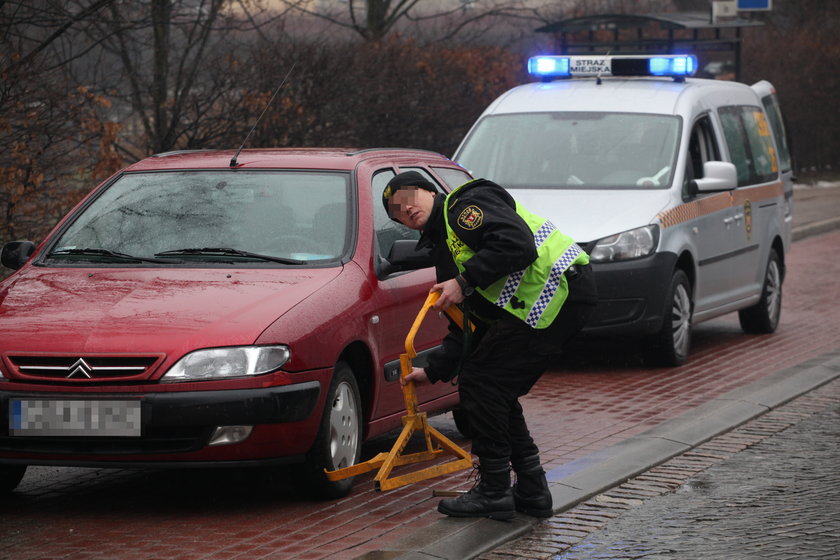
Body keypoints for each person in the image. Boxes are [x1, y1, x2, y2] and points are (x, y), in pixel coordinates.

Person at [382, 171, 598, 520]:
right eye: (394, 210)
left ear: (429, 191)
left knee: (484, 383)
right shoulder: (445, 249)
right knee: (491, 386)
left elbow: (518, 244)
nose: (404, 207)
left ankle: (496, 490)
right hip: (544, 305)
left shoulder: (464, 208)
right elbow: (472, 324)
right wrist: (434, 370)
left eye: (408, 196)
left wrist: (464, 281)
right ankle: (530, 491)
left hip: (561, 292)